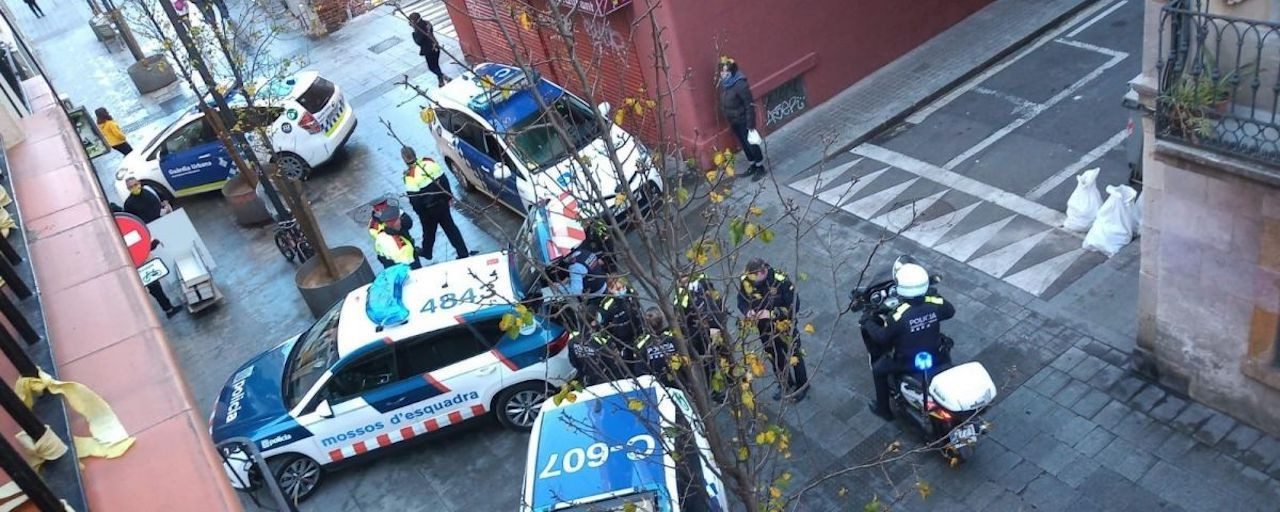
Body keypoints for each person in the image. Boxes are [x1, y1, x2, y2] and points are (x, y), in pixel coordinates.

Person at [860, 263, 955, 421]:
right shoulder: (933, 302)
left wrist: (868, 322)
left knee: (878, 370)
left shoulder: (898, 315)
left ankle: (883, 410)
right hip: (937, 355)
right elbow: (949, 311)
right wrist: (933, 297)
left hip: (908, 362)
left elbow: (882, 338)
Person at [736, 258, 809, 401]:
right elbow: (741, 301)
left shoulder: (780, 280)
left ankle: (802, 385)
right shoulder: (746, 280)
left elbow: (794, 305)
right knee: (775, 358)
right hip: (764, 329)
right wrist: (747, 312)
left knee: (795, 355)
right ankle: (785, 384)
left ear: (763, 272)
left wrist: (772, 314)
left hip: (785, 326)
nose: (753, 282)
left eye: (755, 278)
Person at [401, 147, 474, 261]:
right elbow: (444, 180)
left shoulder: (410, 176)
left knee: (428, 232)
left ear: (404, 159)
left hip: (427, 210)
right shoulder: (429, 162)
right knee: (451, 229)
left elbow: (415, 200)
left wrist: (421, 214)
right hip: (442, 204)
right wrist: (448, 196)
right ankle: (463, 253)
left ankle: (427, 252)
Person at [675, 271, 730, 397]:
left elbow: (716, 303)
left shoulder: (702, 284)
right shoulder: (681, 300)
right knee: (708, 363)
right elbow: (684, 326)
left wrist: (717, 325)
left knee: (725, 354)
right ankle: (713, 390)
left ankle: (731, 378)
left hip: (717, 328)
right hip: (701, 337)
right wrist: (706, 330)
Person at [718, 58, 766, 182]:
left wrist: (751, 124)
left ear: (732, 71)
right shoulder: (725, 84)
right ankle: (753, 165)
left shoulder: (740, 84)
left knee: (751, 144)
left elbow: (749, 105)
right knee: (744, 145)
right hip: (734, 121)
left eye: (725, 72)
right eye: (721, 72)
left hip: (744, 120)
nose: (722, 74)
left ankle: (760, 167)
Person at [567, 307, 632, 386]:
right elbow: (615, 364)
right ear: (593, 322)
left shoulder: (573, 341)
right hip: (609, 381)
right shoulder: (603, 340)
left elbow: (574, 363)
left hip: (590, 382)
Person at [634, 308, 680, 388]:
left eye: (651, 315)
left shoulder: (673, 336)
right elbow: (640, 370)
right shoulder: (641, 342)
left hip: (679, 384)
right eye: (647, 316)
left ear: (661, 317)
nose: (649, 318)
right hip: (657, 387)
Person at [372, 205, 423, 270]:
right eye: (399, 218)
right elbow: (410, 267)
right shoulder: (402, 247)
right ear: (394, 222)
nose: (401, 220)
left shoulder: (381, 235)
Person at [409, 13, 449, 87]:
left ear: (413, 21)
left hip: (429, 49)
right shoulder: (427, 23)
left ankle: (443, 76)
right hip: (436, 46)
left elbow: (419, 41)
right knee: (436, 65)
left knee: (432, 67)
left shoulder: (419, 29)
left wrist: (414, 33)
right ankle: (441, 81)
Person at [145, 240, 182, 318]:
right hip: (146, 269)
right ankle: (168, 310)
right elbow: (146, 249)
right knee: (157, 291)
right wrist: (155, 242)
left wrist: (155, 242)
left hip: (147, 268)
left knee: (157, 290)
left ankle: (169, 308)